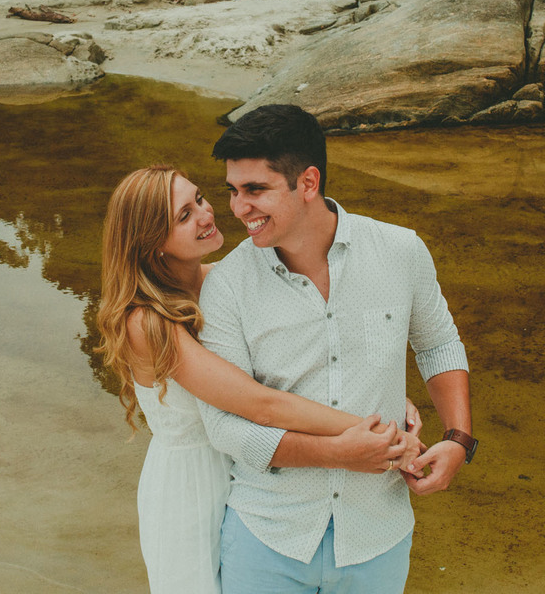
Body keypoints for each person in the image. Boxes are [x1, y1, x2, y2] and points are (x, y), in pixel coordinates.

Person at [97, 165, 427, 594]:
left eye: (200, 198)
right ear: (151, 242)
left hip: (250, 474)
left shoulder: (226, 281)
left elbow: (308, 354)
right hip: (192, 485)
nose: (206, 214)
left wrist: (383, 395)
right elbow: (260, 403)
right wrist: (381, 432)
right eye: (184, 215)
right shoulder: (146, 322)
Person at [197, 104, 475, 594]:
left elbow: (438, 345)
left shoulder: (401, 250)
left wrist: (458, 438)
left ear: (308, 182)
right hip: (267, 537)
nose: (238, 208)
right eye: (233, 191)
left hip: (378, 535)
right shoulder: (227, 285)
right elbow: (224, 427)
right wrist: (333, 454)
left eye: (255, 189)